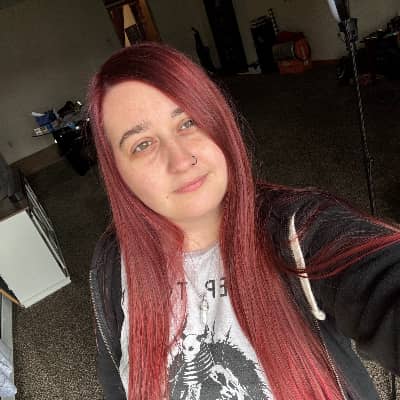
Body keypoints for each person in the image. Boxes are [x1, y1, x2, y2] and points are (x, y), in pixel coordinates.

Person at [87, 42, 400, 400]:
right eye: (142, 144)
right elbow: (116, 383)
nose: (181, 159)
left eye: (188, 122)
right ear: (118, 174)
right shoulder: (112, 263)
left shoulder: (302, 231)